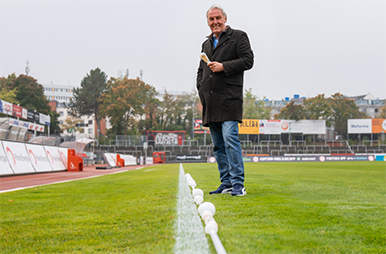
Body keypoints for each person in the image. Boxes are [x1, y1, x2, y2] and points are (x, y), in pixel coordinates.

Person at [196, 4, 254, 196]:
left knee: (230, 139)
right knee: (218, 145)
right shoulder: (206, 44)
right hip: (210, 102)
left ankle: (238, 184)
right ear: (207, 22)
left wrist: (224, 66)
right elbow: (200, 70)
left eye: (218, 18)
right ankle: (226, 182)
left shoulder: (238, 36)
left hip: (229, 98)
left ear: (225, 19)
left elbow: (248, 61)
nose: (215, 22)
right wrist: (201, 89)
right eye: (211, 20)